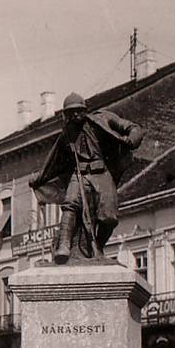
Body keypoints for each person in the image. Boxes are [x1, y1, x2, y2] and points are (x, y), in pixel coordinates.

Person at [30, 92, 144, 264]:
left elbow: (133, 128)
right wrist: (39, 179)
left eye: (78, 111)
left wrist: (131, 140)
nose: (75, 115)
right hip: (80, 174)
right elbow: (54, 164)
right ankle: (64, 246)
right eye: (71, 112)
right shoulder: (66, 135)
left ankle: (96, 247)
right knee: (70, 203)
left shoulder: (103, 119)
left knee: (109, 218)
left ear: (85, 110)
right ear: (66, 115)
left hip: (102, 173)